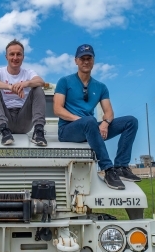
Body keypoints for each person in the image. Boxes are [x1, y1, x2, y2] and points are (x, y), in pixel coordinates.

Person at [53, 44, 141, 190]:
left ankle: (121, 166)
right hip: (68, 129)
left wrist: (105, 123)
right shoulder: (65, 81)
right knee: (89, 121)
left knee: (131, 121)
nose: (86, 61)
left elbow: (109, 112)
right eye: (82, 58)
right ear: (76, 61)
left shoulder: (100, 87)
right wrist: (82, 121)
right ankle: (108, 169)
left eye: (89, 58)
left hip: (92, 128)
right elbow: (57, 109)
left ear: (93, 61)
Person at [0, 39, 47, 146]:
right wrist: (10, 87)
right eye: (12, 54)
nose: (15, 57)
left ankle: (38, 131)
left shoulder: (28, 72)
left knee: (37, 88)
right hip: (3, 118)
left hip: (23, 120)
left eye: (18, 54)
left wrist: (26, 83)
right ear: (6, 57)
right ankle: (4, 131)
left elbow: (41, 82)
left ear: (23, 57)